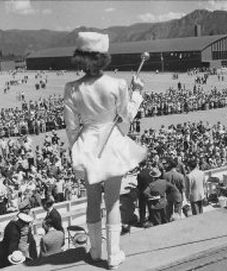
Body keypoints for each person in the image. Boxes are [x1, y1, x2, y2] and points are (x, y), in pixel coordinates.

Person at [64, 32, 147, 270]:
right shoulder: (117, 84)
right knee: (112, 202)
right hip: (111, 143)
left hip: (86, 143)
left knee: (92, 200)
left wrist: (78, 149)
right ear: (103, 57)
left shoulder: (71, 88)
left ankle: (96, 252)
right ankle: (113, 255)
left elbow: (71, 128)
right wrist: (137, 93)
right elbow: (125, 119)